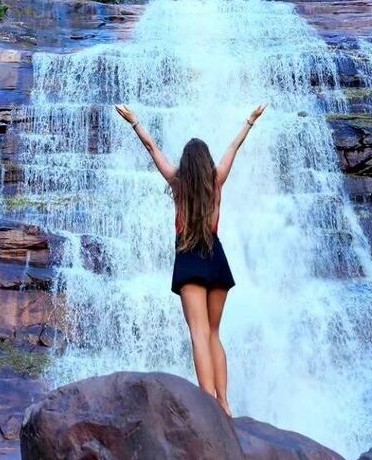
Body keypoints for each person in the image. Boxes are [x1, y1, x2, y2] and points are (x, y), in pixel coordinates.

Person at [113, 103, 268, 417]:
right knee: (213, 333)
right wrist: (249, 122)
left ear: (185, 164)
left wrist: (135, 122)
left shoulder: (177, 182)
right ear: (207, 162)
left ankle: (208, 404)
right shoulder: (217, 180)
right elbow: (232, 148)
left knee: (198, 333)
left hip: (189, 257)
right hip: (216, 257)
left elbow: (151, 146)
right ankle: (224, 402)